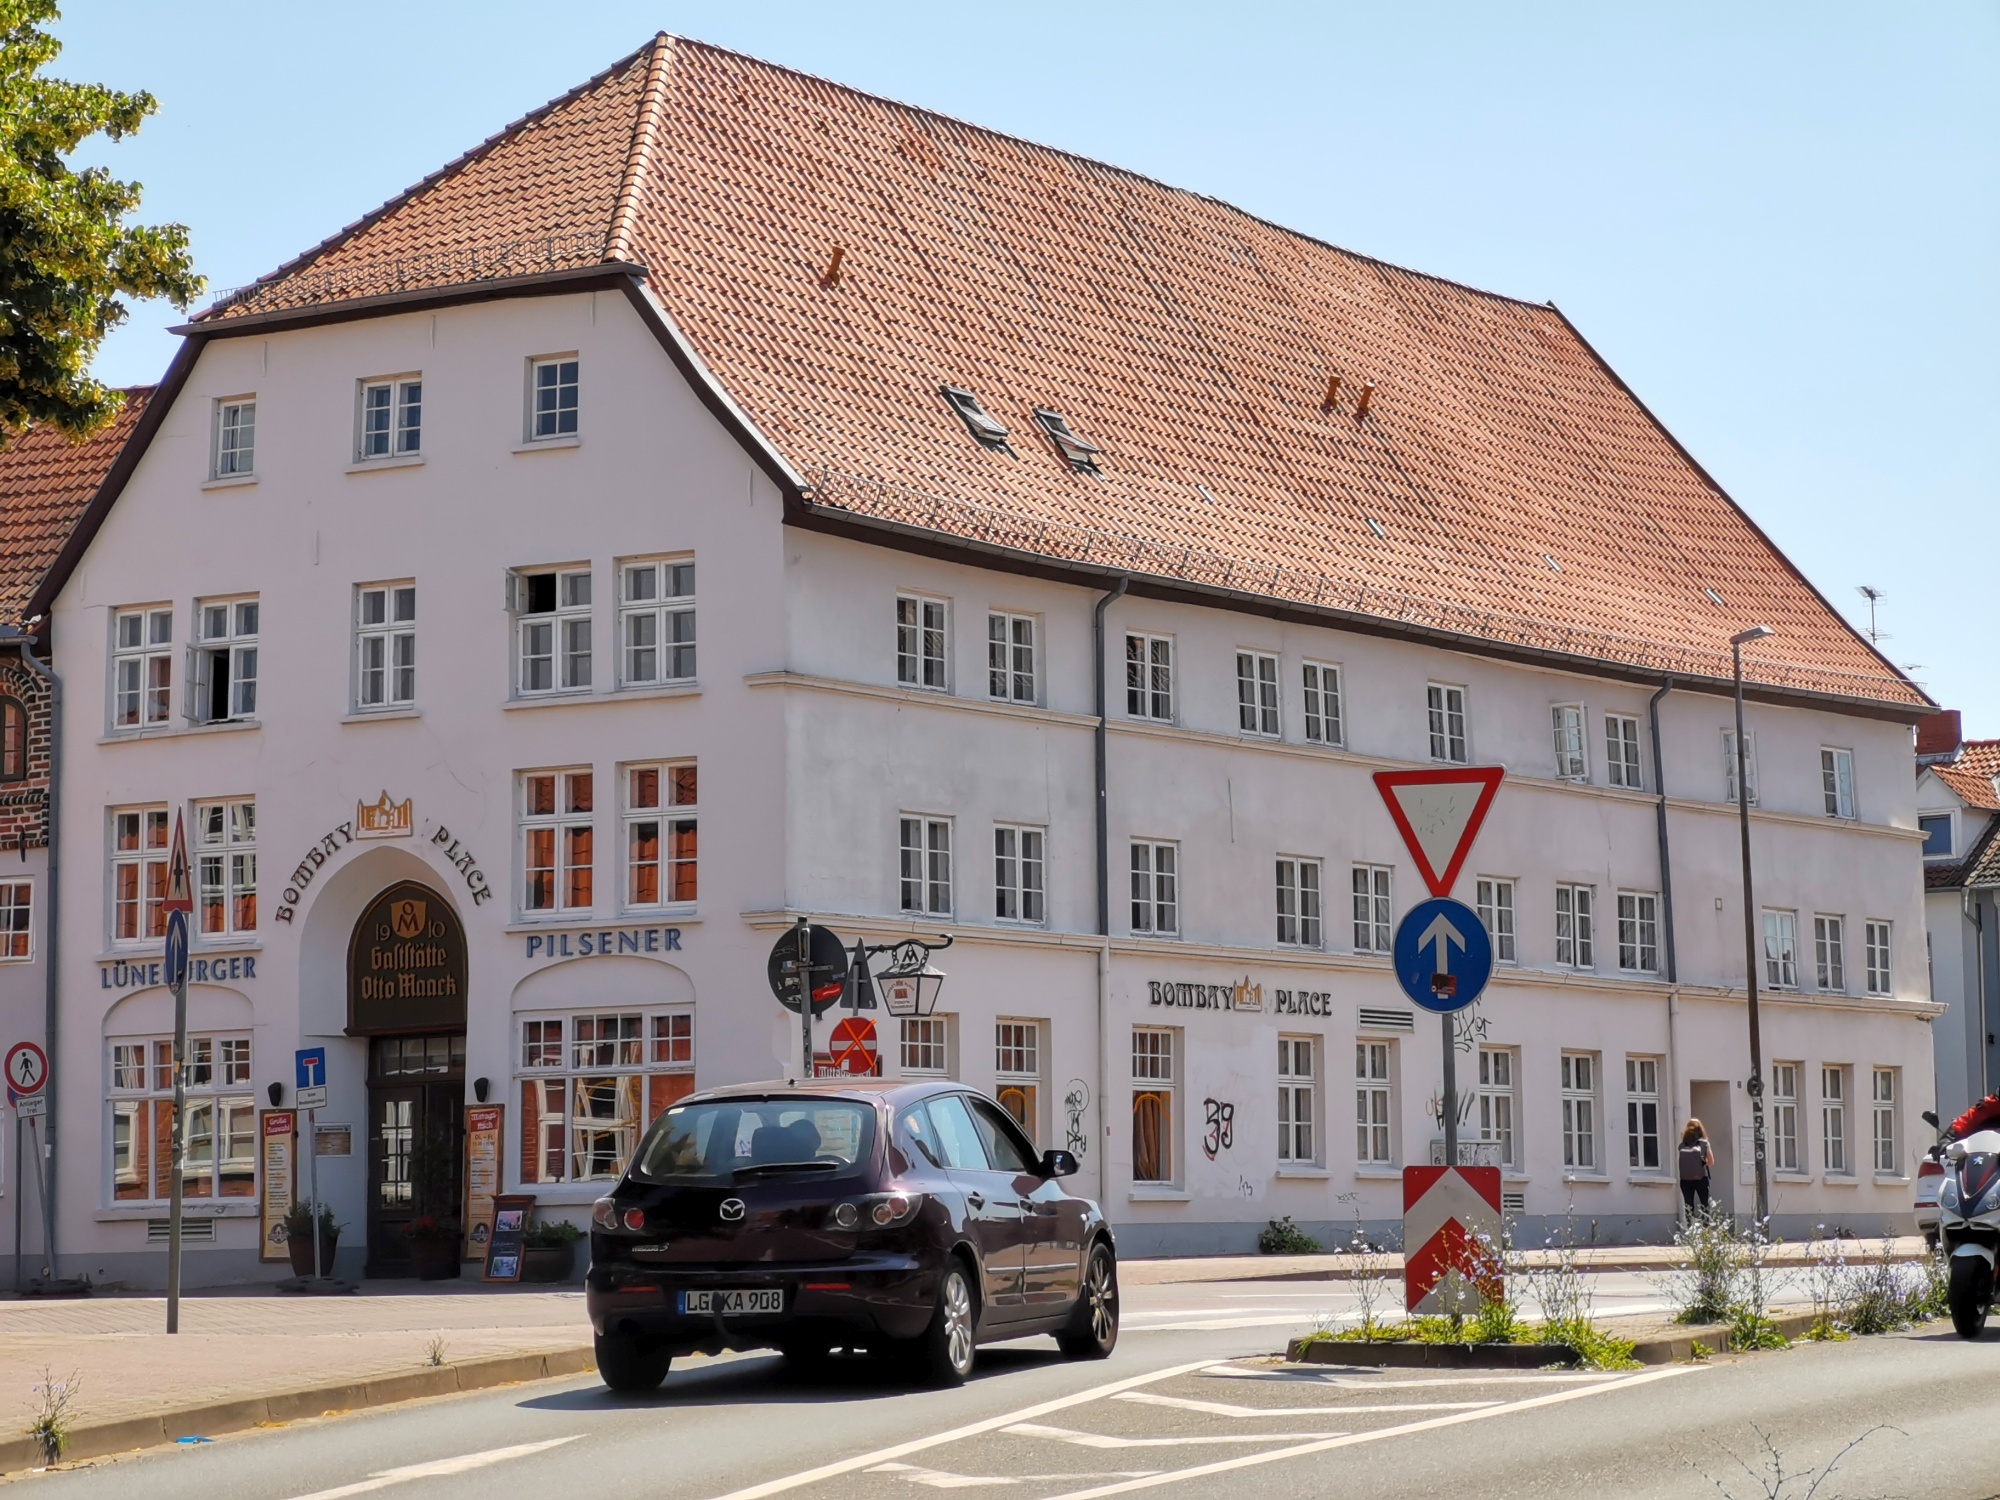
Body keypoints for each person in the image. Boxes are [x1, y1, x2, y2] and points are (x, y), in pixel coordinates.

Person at [1677, 1119, 1714, 1215]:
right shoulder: (1704, 1143)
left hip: (1685, 1180)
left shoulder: (1682, 1144)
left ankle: (1689, 1227)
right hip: (1701, 1179)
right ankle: (1706, 1226)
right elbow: (1711, 1162)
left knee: (1688, 1207)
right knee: (1705, 1205)